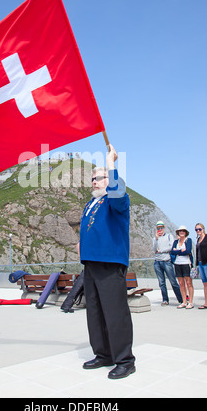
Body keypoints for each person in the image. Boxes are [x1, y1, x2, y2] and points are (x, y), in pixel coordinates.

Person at [78, 144, 135, 380]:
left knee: (115, 312)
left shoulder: (116, 200)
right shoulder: (90, 203)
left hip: (110, 263)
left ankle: (124, 360)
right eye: (92, 178)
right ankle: (103, 354)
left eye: (98, 178)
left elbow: (118, 194)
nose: (94, 182)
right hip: (91, 264)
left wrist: (111, 164)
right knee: (95, 311)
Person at [153, 221, 182, 306]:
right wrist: (156, 239)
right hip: (157, 262)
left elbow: (172, 247)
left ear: (164, 228)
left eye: (161, 228)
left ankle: (180, 299)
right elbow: (154, 249)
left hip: (166, 261)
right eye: (158, 228)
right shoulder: (155, 238)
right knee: (161, 282)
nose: (160, 229)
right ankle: (165, 299)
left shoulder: (169, 236)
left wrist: (161, 250)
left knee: (173, 281)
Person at [171, 226, 194, 309]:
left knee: (188, 283)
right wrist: (181, 251)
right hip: (177, 264)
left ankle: (190, 302)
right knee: (181, 283)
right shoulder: (176, 241)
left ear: (185, 232)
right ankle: (184, 301)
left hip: (186, 263)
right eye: (180, 231)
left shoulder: (188, 240)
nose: (181, 232)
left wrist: (177, 251)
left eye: (183, 231)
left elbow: (188, 251)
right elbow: (172, 252)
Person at [195, 223, 207, 310]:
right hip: (200, 263)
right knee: (205, 284)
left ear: (203, 229)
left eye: (199, 229)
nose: (198, 231)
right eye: (196, 230)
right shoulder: (198, 240)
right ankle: (206, 303)